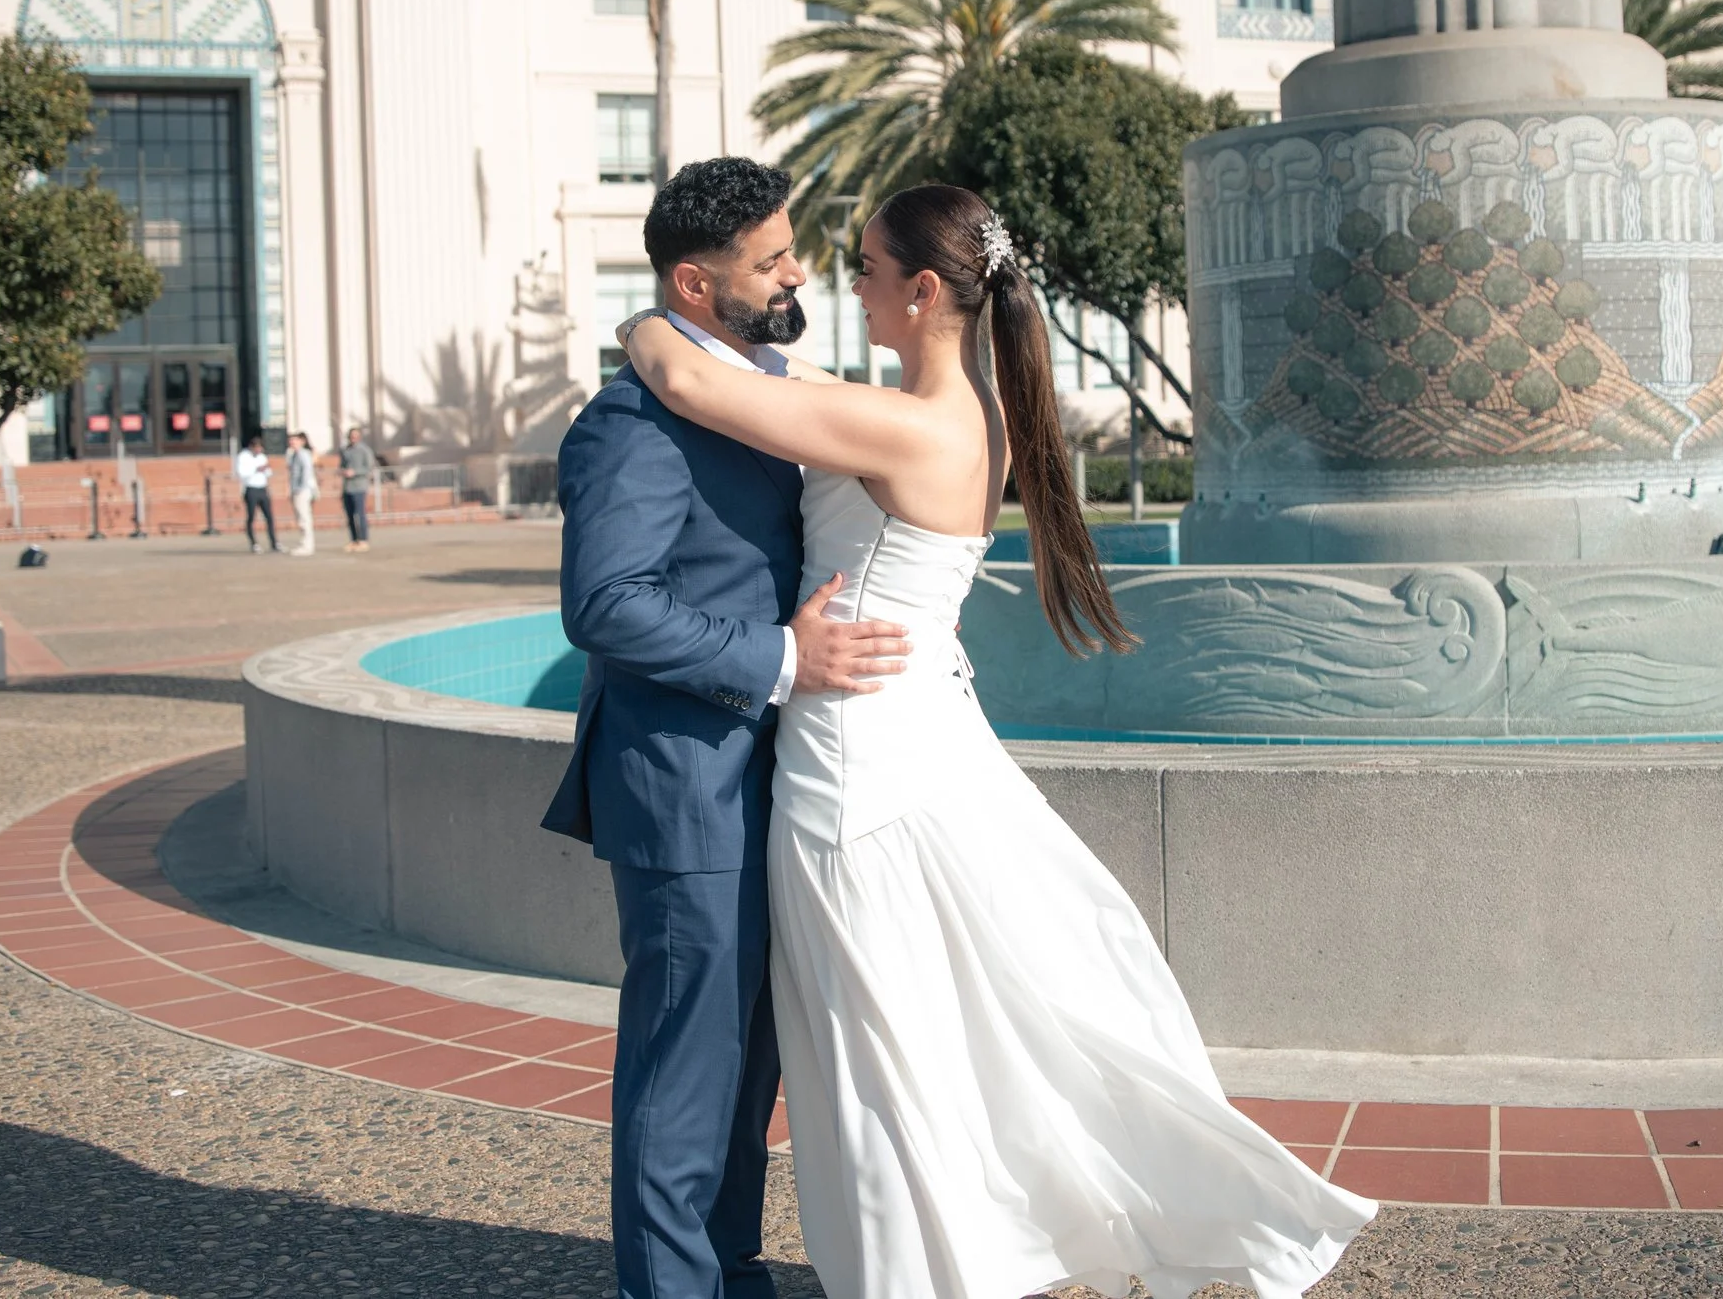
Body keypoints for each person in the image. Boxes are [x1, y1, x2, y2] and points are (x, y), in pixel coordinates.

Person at [615, 181, 1375, 1299]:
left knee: (878, 1045)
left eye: (867, 269)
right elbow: (789, 380)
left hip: (856, 756)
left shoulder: (902, 425)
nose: (846, 286)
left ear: (924, 291)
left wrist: (647, 318)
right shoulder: (976, 410)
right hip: (924, 728)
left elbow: (687, 378)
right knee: (933, 1023)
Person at [543, 158, 912, 1299]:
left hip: (773, 775)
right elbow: (605, 605)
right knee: (686, 1066)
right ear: (695, 286)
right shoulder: (631, 423)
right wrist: (784, 659)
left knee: (748, 1062)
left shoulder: (757, 384)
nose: (798, 273)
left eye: (791, 250)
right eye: (771, 260)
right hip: (684, 785)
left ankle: (729, 1271)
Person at [233, 432, 278, 554]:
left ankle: (274, 542)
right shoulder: (243, 457)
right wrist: (256, 469)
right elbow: (241, 473)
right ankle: (254, 543)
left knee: (269, 517)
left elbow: (269, 473)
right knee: (251, 517)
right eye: (257, 448)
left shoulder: (262, 457)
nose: (259, 450)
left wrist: (266, 469)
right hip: (250, 488)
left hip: (262, 488)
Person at [337, 426, 375, 552]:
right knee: (350, 515)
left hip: (359, 486)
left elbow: (369, 468)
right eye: (351, 436)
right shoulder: (345, 450)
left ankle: (363, 540)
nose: (353, 438)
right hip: (347, 487)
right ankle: (354, 540)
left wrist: (355, 472)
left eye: (355, 436)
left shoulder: (365, 450)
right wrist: (342, 471)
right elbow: (342, 465)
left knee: (360, 514)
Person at [286, 432, 318, 557]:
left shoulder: (303, 454)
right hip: (297, 489)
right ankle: (304, 543)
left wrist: (301, 487)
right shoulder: (293, 454)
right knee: (301, 518)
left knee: (304, 518)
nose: (292, 442)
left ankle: (307, 545)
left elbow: (306, 471)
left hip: (302, 490)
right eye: (291, 440)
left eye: (295, 440)